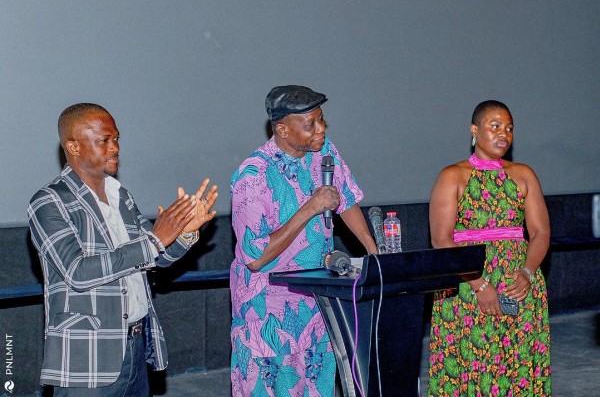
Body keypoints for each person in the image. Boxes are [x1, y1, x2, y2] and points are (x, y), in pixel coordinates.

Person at [28, 103, 218, 396]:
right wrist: (155, 240)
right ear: (73, 147)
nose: (115, 147)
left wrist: (185, 232)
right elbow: (77, 272)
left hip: (137, 346)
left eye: (116, 139)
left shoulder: (121, 196)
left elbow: (157, 258)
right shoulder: (49, 201)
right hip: (87, 356)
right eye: (104, 140)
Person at [229, 85, 377, 396]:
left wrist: (374, 253)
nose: (321, 129)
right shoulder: (253, 175)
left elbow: (345, 199)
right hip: (268, 312)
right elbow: (255, 258)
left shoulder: (324, 153)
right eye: (310, 124)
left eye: (321, 120)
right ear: (282, 129)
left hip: (316, 303)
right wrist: (311, 208)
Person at [427, 100, 551, 396]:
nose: (503, 134)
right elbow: (441, 239)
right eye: (495, 126)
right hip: (466, 286)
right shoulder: (452, 176)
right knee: (472, 363)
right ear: (474, 130)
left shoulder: (524, 174)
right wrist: (480, 285)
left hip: (518, 286)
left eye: (509, 129)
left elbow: (541, 232)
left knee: (517, 363)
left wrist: (527, 273)